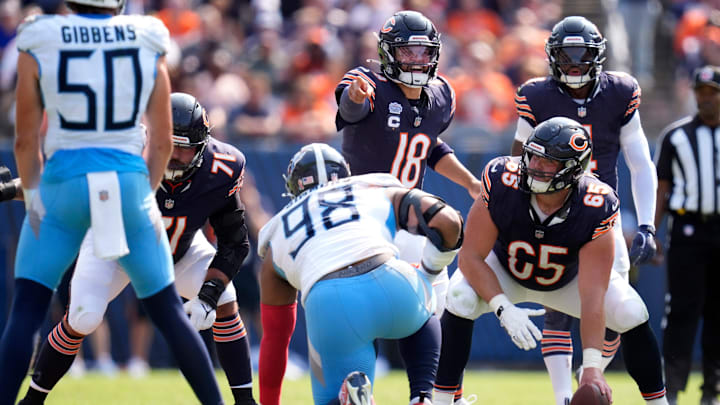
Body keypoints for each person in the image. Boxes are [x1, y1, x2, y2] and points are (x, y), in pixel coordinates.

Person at [0, 1, 225, 403]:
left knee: (26, 314)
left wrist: (34, 196)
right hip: (126, 184)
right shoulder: (146, 36)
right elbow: (160, 140)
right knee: (170, 315)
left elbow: (25, 140)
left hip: (63, 181)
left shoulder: (41, 35)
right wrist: (142, 191)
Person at [17, 92, 257, 405]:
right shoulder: (124, 152)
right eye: (169, 145)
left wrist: (208, 296)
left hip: (178, 249)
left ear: (202, 147)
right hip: (114, 247)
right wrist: (17, 189)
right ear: (153, 137)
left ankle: (246, 401)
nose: (174, 156)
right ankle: (32, 400)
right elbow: (69, 187)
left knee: (225, 300)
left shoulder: (222, 168)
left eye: (185, 150)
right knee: (83, 317)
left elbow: (234, 242)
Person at [433, 117, 668, 405]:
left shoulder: (596, 204)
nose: (535, 166)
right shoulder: (502, 179)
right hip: (506, 271)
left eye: (548, 162)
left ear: (572, 169)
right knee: (459, 298)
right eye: (533, 157)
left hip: (567, 280)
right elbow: (470, 257)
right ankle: (443, 401)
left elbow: (594, 293)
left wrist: (593, 368)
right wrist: (502, 307)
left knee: (631, 312)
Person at [505, 16, 658, 405]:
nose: (574, 65)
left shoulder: (620, 92)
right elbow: (517, 159)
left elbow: (640, 163)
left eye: (583, 56)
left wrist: (646, 224)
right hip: (551, 212)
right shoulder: (537, 95)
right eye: (566, 57)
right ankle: (562, 398)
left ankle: (587, 381)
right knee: (555, 308)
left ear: (598, 56)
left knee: (613, 313)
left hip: (598, 214)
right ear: (552, 58)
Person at [257, 143, 464, 405]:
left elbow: (275, 338)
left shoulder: (276, 231)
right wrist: (430, 271)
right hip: (391, 280)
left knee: (332, 394)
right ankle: (421, 395)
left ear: (294, 186)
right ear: (346, 173)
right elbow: (447, 220)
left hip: (329, 305)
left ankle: (349, 400)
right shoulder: (373, 187)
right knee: (425, 296)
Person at [334, 10, 482, 315]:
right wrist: (355, 97)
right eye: (407, 51)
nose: (416, 59)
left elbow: (427, 146)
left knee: (438, 299)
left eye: (424, 51)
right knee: (358, 304)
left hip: (406, 215)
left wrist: (469, 182)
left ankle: (436, 361)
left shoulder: (440, 95)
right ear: (388, 53)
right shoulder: (369, 83)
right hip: (362, 212)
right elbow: (350, 111)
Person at [653, 65, 720, 405]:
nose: (706, 99)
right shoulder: (676, 136)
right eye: (701, 92)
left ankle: (711, 390)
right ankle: (673, 390)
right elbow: (661, 188)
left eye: (713, 92)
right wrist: (652, 231)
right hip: (688, 230)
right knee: (681, 312)